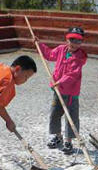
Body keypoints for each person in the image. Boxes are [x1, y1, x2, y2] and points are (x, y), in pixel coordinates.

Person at [35, 26, 88, 155]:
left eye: (78, 41)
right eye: (72, 40)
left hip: (71, 93)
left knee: (71, 117)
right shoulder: (60, 50)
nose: (75, 43)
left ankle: (68, 141)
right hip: (57, 91)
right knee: (54, 114)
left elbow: (73, 74)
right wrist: (39, 44)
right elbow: (49, 55)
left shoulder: (80, 57)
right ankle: (58, 137)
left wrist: (60, 82)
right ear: (67, 39)